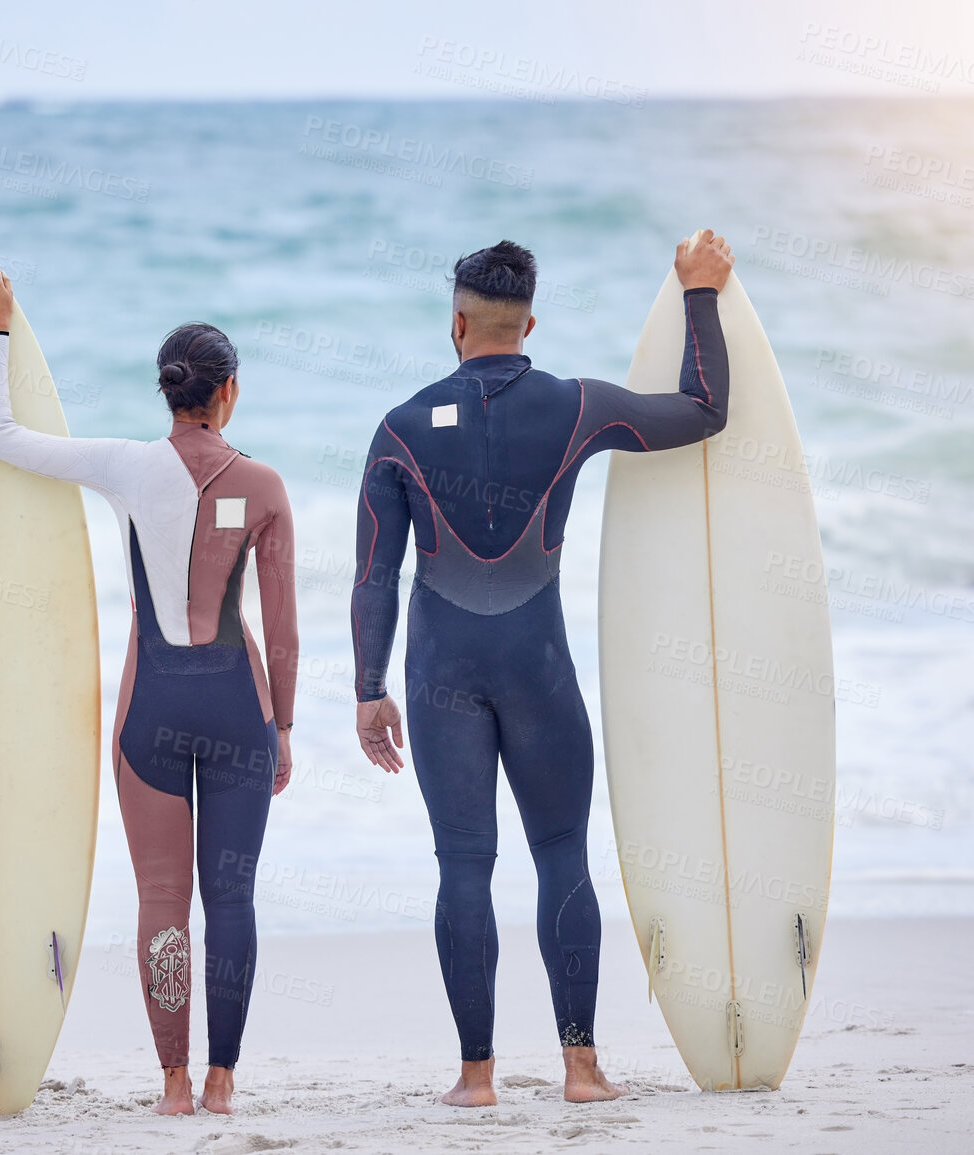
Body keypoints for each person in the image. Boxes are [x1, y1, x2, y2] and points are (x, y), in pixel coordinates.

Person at [350, 235, 734, 1106]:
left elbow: (374, 575)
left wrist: (368, 690)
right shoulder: (575, 406)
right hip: (540, 666)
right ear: (530, 323)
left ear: (455, 324)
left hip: (438, 673)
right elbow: (704, 409)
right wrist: (698, 293)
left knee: (462, 864)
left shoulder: (399, 427)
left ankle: (475, 1077)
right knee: (562, 854)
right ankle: (580, 1067)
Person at [0, 269, 299, 1116]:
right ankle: (224, 1081)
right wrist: (284, 730)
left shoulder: (122, 466)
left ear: (168, 391)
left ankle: (175, 1084)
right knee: (231, 897)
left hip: (149, 712)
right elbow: (286, 632)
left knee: (162, 900)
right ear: (228, 392)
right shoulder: (263, 487)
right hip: (239, 710)